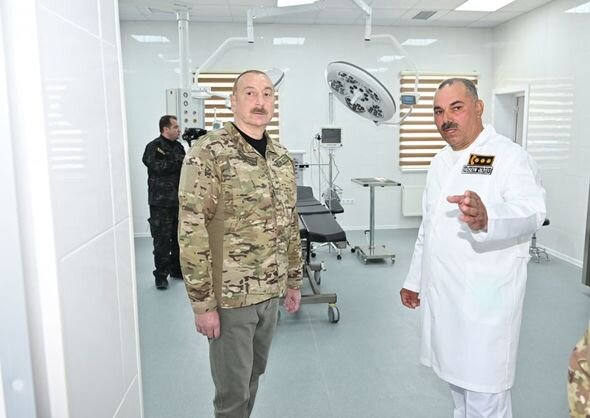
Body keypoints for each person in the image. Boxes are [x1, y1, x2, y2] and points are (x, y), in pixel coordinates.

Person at [400, 78, 546, 417]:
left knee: (485, 393)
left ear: (478, 108)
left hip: (486, 298)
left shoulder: (508, 156)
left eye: (456, 108)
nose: (446, 119)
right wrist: (414, 280)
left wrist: (488, 218)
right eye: (438, 112)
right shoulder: (440, 161)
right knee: (458, 389)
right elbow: (430, 226)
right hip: (445, 295)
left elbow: (533, 211)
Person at [178, 70, 302, 418]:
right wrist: (202, 304)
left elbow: (289, 223)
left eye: (267, 93)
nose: (260, 101)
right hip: (232, 298)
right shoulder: (209, 152)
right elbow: (191, 229)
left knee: (252, 377)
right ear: (233, 102)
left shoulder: (281, 158)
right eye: (249, 93)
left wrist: (294, 280)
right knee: (232, 393)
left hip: (270, 293)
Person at [142, 115, 185, 290]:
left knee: (178, 239)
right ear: (165, 129)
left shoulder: (179, 147)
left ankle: (176, 270)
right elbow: (158, 167)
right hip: (160, 203)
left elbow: (185, 168)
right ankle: (161, 276)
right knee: (162, 241)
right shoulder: (154, 147)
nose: (179, 130)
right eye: (175, 127)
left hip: (177, 202)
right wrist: (178, 162)